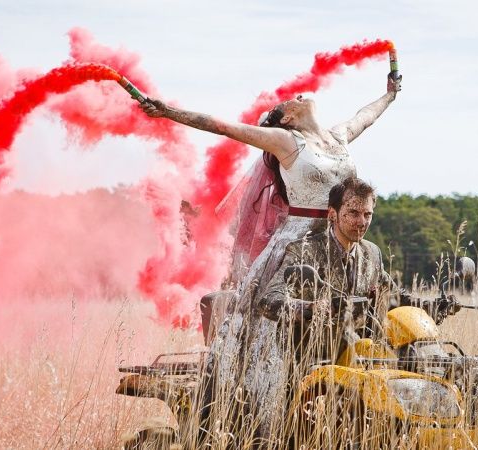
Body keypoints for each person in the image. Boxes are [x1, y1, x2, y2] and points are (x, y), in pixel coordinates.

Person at [141, 72, 401, 447]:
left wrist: (389, 95)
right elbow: (224, 127)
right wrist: (167, 112)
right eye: (290, 101)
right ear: (288, 118)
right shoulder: (286, 140)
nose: (298, 94)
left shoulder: (337, 137)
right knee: (271, 330)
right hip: (299, 240)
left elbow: (367, 114)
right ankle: (263, 413)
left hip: (341, 236)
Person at [260, 177, 460, 370]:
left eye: (368, 214)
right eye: (354, 213)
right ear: (332, 214)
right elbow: (267, 302)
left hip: (364, 362)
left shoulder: (372, 253)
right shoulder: (304, 251)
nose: (362, 222)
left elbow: (394, 297)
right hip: (311, 364)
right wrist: (311, 308)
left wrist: (430, 306)